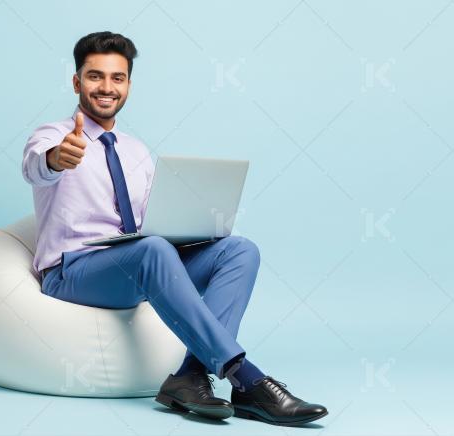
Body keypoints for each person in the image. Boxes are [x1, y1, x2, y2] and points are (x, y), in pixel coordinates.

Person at [21, 30, 328, 426]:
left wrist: (195, 228)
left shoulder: (135, 150)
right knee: (152, 251)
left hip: (137, 261)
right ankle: (245, 377)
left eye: (117, 78)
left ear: (128, 84)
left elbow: (152, 226)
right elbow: (35, 166)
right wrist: (57, 157)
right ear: (77, 82)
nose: (106, 87)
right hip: (73, 271)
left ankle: (189, 376)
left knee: (239, 250)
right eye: (95, 76)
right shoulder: (54, 135)